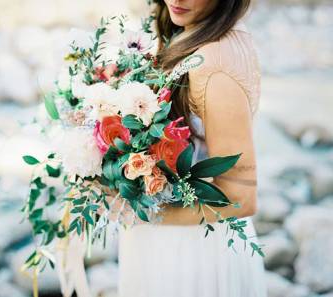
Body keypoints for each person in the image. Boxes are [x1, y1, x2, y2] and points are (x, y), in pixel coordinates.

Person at [117, 1, 267, 296]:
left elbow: (242, 198)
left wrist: (138, 213)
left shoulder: (214, 65)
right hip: (173, 239)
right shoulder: (196, 30)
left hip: (191, 255)